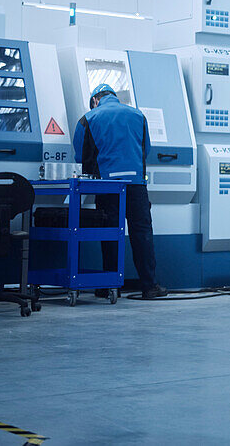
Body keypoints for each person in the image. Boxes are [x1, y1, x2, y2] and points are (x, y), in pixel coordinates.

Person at [73, 84, 167, 299]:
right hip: (136, 185)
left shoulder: (88, 118)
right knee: (142, 234)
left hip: (107, 185)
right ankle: (150, 286)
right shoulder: (138, 115)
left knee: (110, 233)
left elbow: (80, 156)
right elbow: (147, 150)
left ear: (95, 100)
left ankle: (108, 285)